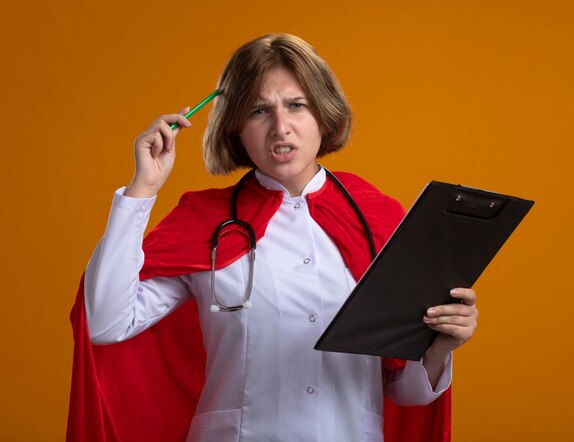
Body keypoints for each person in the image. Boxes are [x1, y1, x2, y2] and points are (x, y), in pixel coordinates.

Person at [68, 34, 478, 442]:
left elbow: (403, 390)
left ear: (323, 113)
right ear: (236, 129)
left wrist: (440, 346)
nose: (280, 128)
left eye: (296, 105)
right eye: (259, 110)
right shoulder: (202, 221)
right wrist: (142, 188)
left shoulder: (379, 221)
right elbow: (106, 323)